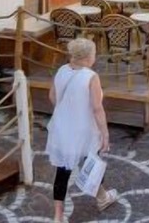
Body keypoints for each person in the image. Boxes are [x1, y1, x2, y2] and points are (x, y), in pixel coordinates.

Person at [46, 38, 119, 222]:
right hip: (85, 129)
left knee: (62, 172)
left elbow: (52, 96)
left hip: (63, 127)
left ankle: (57, 216)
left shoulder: (62, 70)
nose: (95, 57)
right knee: (92, 163)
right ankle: (102, 198)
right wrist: (105, 133)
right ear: (87, 57)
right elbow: (97, 108)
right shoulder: (91, 77)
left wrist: (67, 112)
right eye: (94, 54)